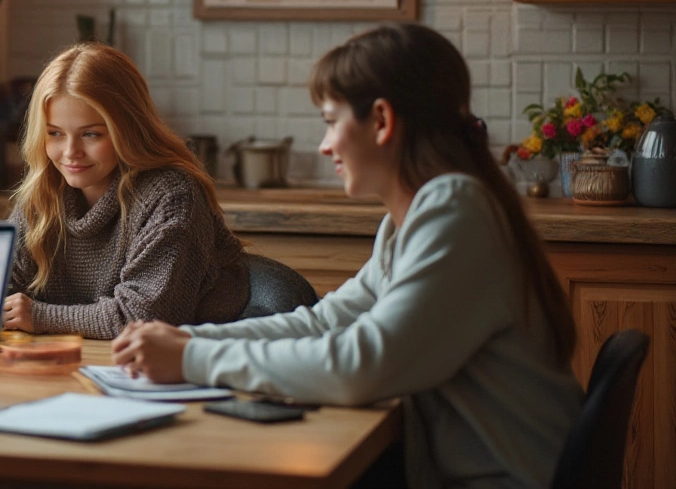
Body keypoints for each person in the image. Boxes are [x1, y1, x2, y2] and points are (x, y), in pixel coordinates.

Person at [112, 24, 583, 489]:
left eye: (331, 121)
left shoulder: (454, 213)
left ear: (381, 120)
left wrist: (192, 357)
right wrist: (186, 339)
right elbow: (322, 322)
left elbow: (359, 366)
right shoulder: (411, 221)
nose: (324, 145)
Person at [1, 42, 249, 340]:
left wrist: (40, 315)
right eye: (54, 133)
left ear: (127, 128)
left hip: (184, 366)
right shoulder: (43, 190)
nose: (70, 152)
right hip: (89, 359)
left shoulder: (171, 196)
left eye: (90, 134)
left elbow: (142, 317)